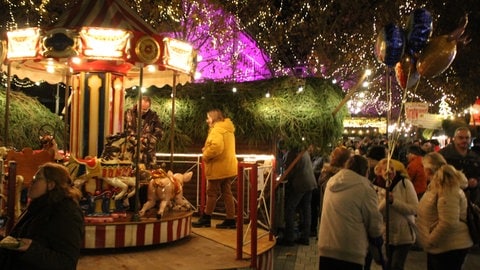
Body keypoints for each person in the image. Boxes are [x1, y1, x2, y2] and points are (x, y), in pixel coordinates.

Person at [0, 162, 84, 269]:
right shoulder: (38, 205)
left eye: (36, 179)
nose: (31, 182)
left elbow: (66, 262)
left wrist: (31, 248)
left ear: (51, 185)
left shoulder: (66, 213)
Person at [318, 155, 384, 270]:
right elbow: (374, 222)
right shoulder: (365, 188)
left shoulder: (332, 182)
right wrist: (379, 250)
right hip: (350, 251)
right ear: (366, 171)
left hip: (326, 247)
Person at [417, 152, 473, 270]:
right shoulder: (436, 185)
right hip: (441, 245)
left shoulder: (447, 186)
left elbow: (448, 222)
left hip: (449, 246)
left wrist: (430, 241)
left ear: (427, 170)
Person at [192, 109, 238, 229]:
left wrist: (205, 155)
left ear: (213, 118)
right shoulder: (228, 129)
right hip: (227, 166)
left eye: (208, 118)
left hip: (218, 167)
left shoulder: (217, 129)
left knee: (211, 193)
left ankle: (206, 218)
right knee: (227, 192)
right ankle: (230, 219)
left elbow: (217, 147)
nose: (207, 120)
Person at [374, 158, 418, 270]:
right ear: (379, 171)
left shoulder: (405, 183)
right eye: (385, 169)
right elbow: (376, 212)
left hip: (403, 234)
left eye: (392, 169)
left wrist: (394, 202)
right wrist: (386, 201)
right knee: (386, 265)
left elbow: (414, 209)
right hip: (385, 234)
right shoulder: (375, 187)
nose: (389, 172)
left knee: (396, 265)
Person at [277, 143, 317, 246]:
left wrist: (282, 179)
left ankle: (289, 238)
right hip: (310, 183)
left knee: (290, 209)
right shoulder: (303, 150)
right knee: (306, 209)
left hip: (301, 184)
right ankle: (305, 237)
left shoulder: (293, 153)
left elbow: (289, 171)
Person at [439, 126, 480, 205]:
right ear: (454, 138)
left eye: (467, 138)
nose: (464, 140)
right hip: (448, 198)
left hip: (471, 199)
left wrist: (476, 182)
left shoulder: (475, 157)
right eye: (461, 138)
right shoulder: (444, 155)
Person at [124, 96, 164, 169]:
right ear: (137, 104)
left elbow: (159, 132)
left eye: (145, 109)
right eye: (141, 108)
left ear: (149, 107)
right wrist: (130, 138)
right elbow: (121, 129)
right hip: (130, 151)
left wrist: (148, 140)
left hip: (147, 153)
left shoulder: (153, 117)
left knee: (148, 174)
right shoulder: (128, 114)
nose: (142, 111)